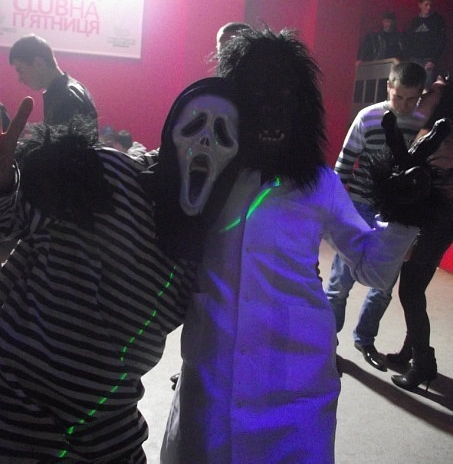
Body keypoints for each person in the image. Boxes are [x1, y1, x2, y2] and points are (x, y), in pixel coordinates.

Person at [160, 28, 421, 464]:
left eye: (285, 98)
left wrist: (405, 212)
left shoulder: (319, 184)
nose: (274, 113)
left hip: (296, 381)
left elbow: (373, 269)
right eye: (260, 97)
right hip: (212, 372)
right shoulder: (208, 172)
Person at [0, 98, 194, 462]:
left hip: (104, 430)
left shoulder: (213, 242)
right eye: (197, 123)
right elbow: (11, 222)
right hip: (14, 407)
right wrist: (5, 182)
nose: (206, 146)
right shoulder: (110, 171)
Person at [324, 61, 427, 372]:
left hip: (396, 214)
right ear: (388, 88)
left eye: (412, 99)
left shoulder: (421, 122)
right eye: (399, 97)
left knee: (382, 287)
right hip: (359, 206)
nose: (405, 106)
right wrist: (335, 212)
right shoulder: (368, 117)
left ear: (420, 95)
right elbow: (344, 165)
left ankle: (365, 339)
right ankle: (327, 344)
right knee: (340, 283)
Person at [387, 79, 453, 391]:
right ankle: (411, 350)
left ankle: (423, 364)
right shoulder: (438, 128)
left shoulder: (443, 131)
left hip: (438, 217)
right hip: (436, 216)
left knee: (410, 290)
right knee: (415, 285)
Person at [9, 34, 98, 128]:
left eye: (20, 70)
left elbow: (65, 137)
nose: (20, 79)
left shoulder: (67, 97)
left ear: (38, 63)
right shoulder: (66, 92)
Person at [404, 0, 447, 89]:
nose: (429, 7)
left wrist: (433, 60)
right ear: (420, 5)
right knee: (414, 86)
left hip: (429, 59)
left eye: (430, 5)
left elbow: (441, 41)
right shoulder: (414, 21)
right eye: (426, 5)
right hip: (414, 59)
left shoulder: (437, 20)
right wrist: (409, 58)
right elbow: (409, 40)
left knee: (427, 87)